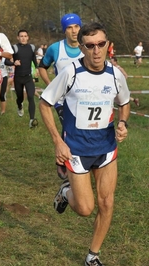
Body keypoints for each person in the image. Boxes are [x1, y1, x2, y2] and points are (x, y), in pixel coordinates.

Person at [39, 22, 130, 266]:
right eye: (90, 46)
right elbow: (45, 103)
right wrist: (58, 142)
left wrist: (123, 124)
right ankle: (66, 192)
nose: (96, 50)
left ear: (107, 45)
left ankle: (93, 255)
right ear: (82, 47)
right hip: (76, 150)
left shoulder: (115, 74)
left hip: (106, 148)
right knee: (86, 208)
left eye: (101, 44)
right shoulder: (71, 72)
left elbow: (125, 102)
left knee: (107, 202)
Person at [38, 13, 83, 180]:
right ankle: (67, 164)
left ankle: (72, 160)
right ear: (64, 31)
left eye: (76, 27)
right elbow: (42, 67)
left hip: (83, 99)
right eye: (69, 28)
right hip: (62, 100)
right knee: (70, 126)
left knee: (81, 129)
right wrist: (51, 84)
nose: (74, 31)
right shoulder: (55, 49)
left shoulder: (87, 47)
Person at [11, 29, 38, 128]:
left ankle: (32, 120)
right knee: (20, 98)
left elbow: (33, 59)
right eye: (21, 36)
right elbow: (6, 61)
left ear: (28, 37)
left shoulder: (31, 47)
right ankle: (19, 105)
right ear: (18, 38)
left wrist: (37, 69)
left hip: (28, 77)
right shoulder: (14, 48)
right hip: (18, 78)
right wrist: (14, 63)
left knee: (31, 97)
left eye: (25, 36)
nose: (23, 38)